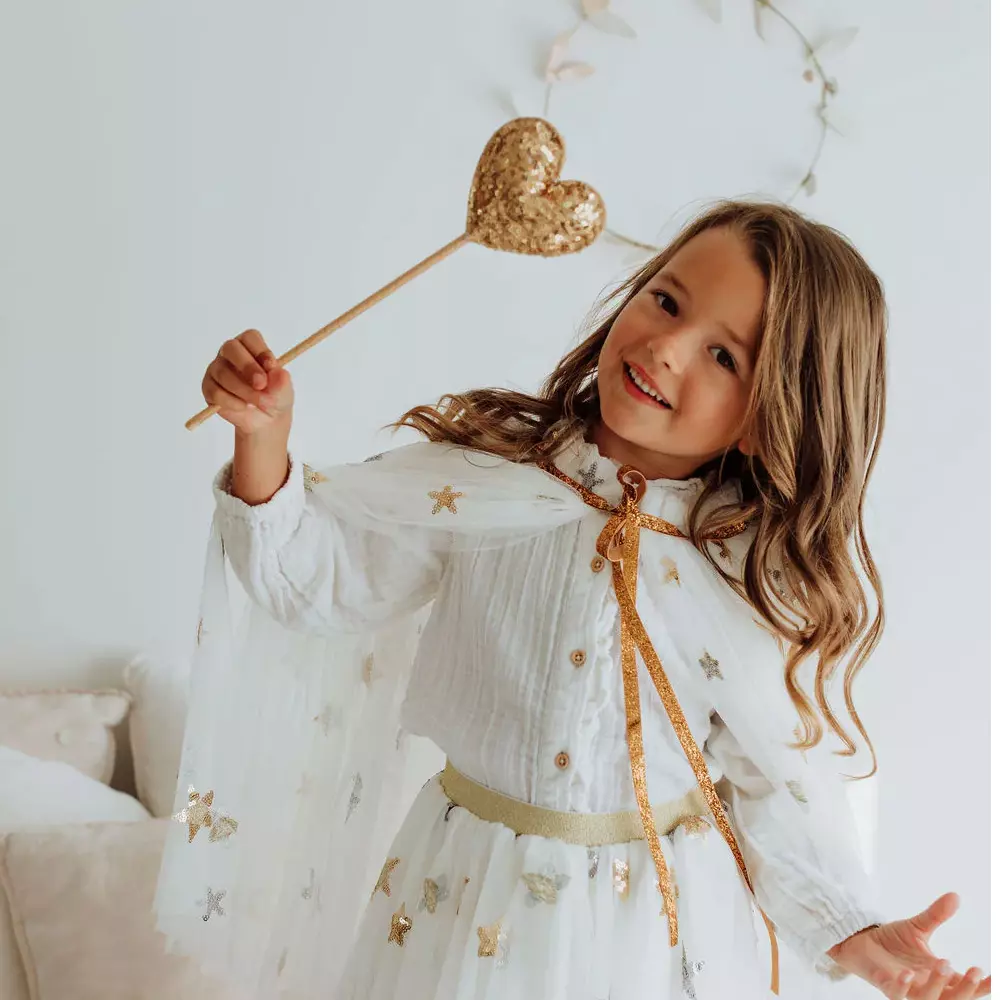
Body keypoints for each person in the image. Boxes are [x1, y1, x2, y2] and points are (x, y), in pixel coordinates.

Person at [155, 201, 989, 1000]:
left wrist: (855, 934)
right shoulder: (490, 479)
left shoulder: (741, 573)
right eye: (666, 301)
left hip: (646, 936)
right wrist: (262, 435)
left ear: (767, 418)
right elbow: (313, 583)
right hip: (459, 899)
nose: (667, 347)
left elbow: (777, 788)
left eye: (723, 356)